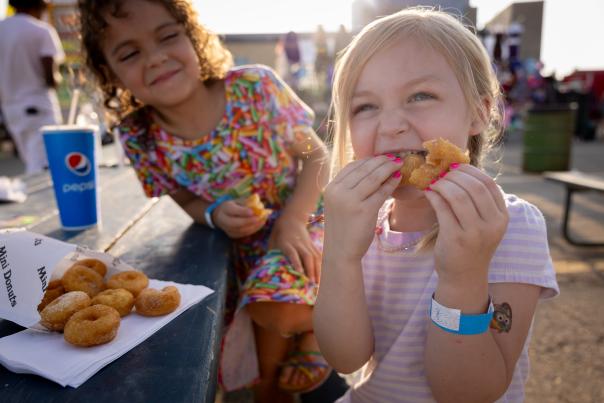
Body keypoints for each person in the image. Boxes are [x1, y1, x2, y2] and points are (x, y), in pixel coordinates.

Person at [77, 0, 330, 401]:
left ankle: (293, 358)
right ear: (110, 73)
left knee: (274, 307)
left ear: (192, 37)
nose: (157, 58)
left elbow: (318, 156)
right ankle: (284, 359)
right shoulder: (139, 136)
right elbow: (182, 197)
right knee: (203, 334)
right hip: (234, 253)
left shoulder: (255, 87)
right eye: (130, 52)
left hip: (307, 229)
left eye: (168, 36)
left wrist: (293, 219)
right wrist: (212, 214)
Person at [314, 8, 559, 403]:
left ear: (479, 113)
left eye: (420, 96)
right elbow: (345, 357)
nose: (391, 124)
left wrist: (463, 277)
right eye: (365, 106)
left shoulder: (512, 226)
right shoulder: (361, 225)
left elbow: (468, 392)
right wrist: (339, 254)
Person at [0, 0, 64, 174]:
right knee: (45, 168)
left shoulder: (2, 29)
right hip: (39, 106)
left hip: (10, 109)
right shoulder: (41, 30)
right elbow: (50, 78)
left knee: (31, 162)